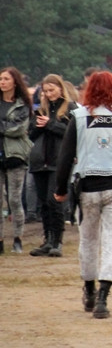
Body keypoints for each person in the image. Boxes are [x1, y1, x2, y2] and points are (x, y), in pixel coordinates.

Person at [53, 71, 112, 319]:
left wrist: (60, 189)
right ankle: (104, 296)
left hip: (89, 186)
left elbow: (65, 157)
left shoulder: (79, 117)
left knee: (89, 240)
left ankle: (89, 290)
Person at [28, 73, 73, 257]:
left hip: (58, 161)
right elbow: (30, 134)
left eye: (52, 90)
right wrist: (38, 126)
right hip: (40, 160)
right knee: (43, 203)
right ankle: (47, 239)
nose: (49, 94)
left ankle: (57, 241)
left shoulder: (70, 109)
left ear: (61, 88)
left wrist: (50, 124)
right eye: (46, 91)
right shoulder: (40, 110)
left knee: (54, 201)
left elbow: (69, 132)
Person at [0, 66, 33, 254]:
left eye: (6, 78)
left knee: (14, 199)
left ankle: (18, 238)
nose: (2, 82)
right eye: (0, 79)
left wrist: (3, 127)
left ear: (14, 81)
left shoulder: (22, 104)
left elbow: (19, 129)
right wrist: (6, 127)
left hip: (15, 156)